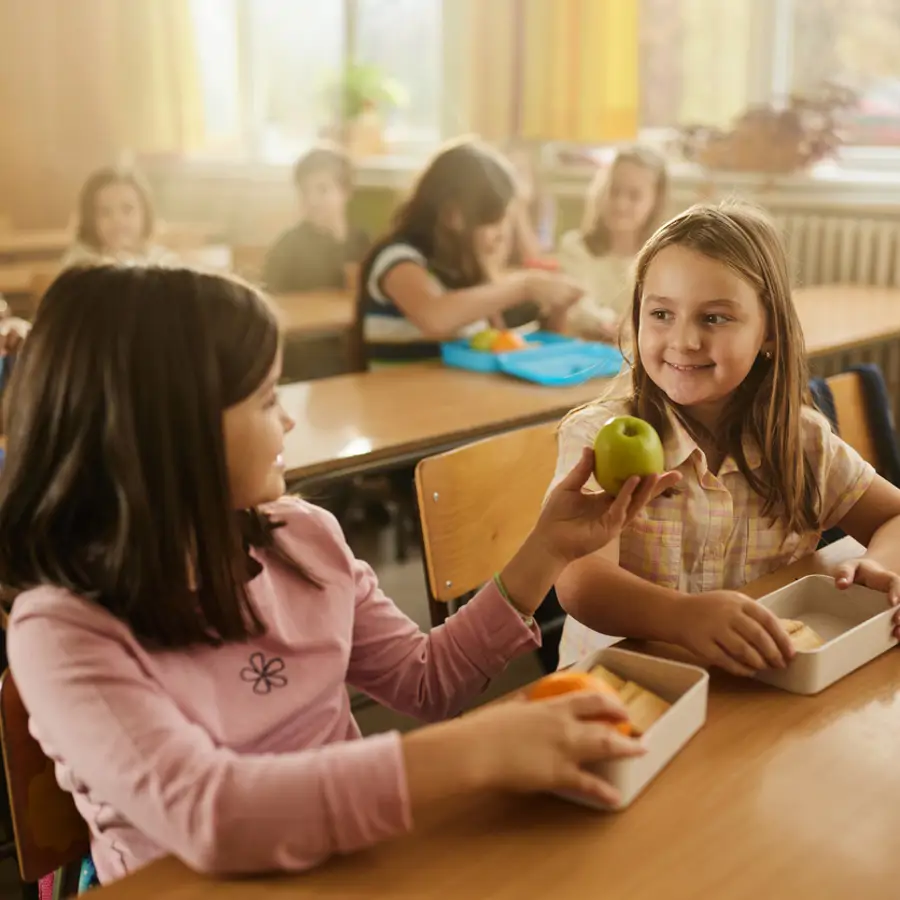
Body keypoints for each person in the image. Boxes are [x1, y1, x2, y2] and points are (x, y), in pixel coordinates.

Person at [0, 264, 678, 884]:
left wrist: (548, 548)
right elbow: (215, 816)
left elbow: (426, 681)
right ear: (170, 431)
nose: (290, 417)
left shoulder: (302, 538)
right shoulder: (61, 630)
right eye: (268, 399)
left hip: (339, 860)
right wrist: (473, 752)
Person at [550, 201, 900, 671]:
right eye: (661, 314)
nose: (684, 340)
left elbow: (894, 517)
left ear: (770, 332)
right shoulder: (596, 436)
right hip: (621, 689)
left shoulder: (801, 440)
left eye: (713, 318)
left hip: (756, 684)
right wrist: (680, 617)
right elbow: (580, 581)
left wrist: (880, 566)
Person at [356, 137, 582, 367]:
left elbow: (500, 347)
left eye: (505, 220)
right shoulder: (397, 258)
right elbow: (434, 317)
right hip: (399, 400)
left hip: (462, 397)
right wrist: (524, 286)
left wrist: (557, 311)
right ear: (453, 215)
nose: (502, 233)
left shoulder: (466, 267)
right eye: (492, 221)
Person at [557, 147, 667, 342]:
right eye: (614, 191)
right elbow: (576, 305)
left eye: (634, 196)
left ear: (655, 202)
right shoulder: (575, 247)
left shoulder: (663, 258)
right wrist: (614, 324)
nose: (620, 204)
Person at [263, 143, 370, 293]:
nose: (312, 200)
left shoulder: (362, 242)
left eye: (322, 189)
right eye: (305, 191)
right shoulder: (287, 246)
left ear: (346, 191)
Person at [61, 166, 175, 267]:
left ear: (145, 213)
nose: (118, 220)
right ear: (91, 219)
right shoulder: (79, 266)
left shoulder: (163, 261)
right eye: (105, 212)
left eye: (128, 209)